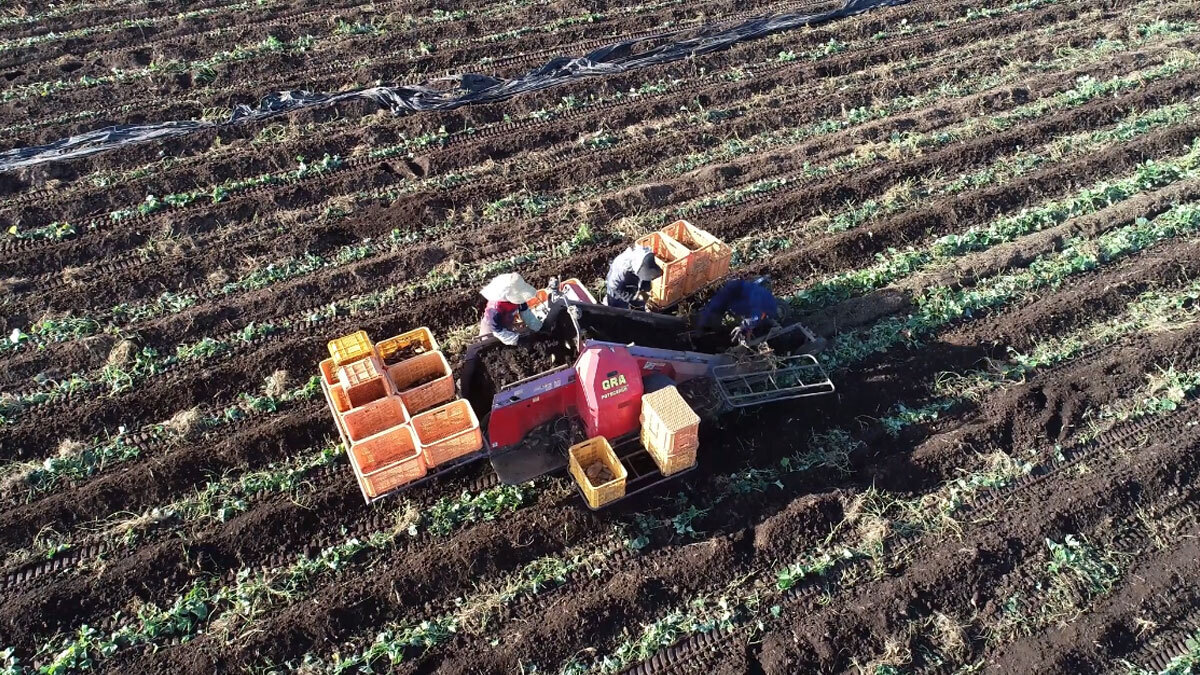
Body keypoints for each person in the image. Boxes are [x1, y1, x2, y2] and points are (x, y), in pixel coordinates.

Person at [698, 276, 780, 341]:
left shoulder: (756, 297)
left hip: (764, 310)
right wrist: (704, 322)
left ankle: (764, 326)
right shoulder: (731, 290)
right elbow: (715, 303)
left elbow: (756, 316)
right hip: (746, 306)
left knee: (759, 322)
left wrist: (742, 326)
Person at [479, 273, 541, 345]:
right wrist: (516, 340)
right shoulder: (495, 309)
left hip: (507, 324)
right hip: (491, 328)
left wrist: (537, 327)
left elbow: (526, 313)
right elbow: (497, 330)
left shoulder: (519, 299)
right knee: (489, 345)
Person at [604, 245, 663, 310]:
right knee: (619, 307)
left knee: (641, 298)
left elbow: (646, 276)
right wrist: (631, 298)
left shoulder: (645, 258)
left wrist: (644, 292)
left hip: (632, 279)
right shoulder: (620, 271)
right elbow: (615, 288)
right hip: (617, 289)